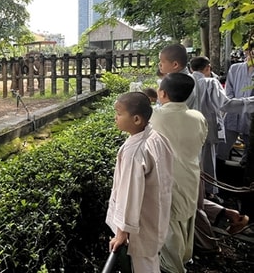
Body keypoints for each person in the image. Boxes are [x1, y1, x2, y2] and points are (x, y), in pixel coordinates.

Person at [106, 92, 174, 273]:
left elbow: (130, 193)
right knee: (150, 261)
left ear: (136, 119)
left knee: (144, 266)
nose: (115, 118)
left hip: (140, 226)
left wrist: (122, 232)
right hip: (156, 215)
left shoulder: (135, 152)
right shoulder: (157, 137)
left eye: (119, 114)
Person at [150, 73, 208, 273]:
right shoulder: (198, 117)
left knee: (171, 224)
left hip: (169, 180)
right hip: (191, 176)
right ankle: (185, 258)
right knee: (186, 220)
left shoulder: (155, 116)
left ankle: (174, 268)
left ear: (162, 93)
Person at [190, 56, 254, 200]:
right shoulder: (210, 82)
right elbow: (226, 104)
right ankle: (209, 194)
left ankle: (199, 193)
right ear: (207, 68)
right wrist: (250, 103)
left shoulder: (185, 81)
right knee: (208, 163)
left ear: (190, 68)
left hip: (189, 130)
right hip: (208, 128)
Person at [217, 42, 254, 185]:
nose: (249, 55)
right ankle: (220, 182)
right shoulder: (235, 68)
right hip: (232, 115)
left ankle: (245, 183)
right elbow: (229, 93)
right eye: (248, 52)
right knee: (221, 148)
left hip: (250, 118)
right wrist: (237, 105)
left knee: (249, 153)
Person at [158, 43, 196, 108]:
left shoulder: (184, 83)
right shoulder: (171, 78)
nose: (159, 64)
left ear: (175, 65)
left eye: (162, 62)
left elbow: (174, 109)